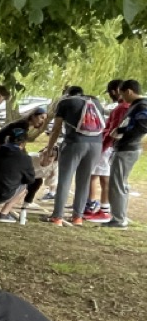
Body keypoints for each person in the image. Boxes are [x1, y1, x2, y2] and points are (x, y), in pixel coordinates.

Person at [42, 85, 106, 226]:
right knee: (84, 181)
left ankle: (57, 217)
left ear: (67, 94)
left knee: (65, 180)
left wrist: (49, 149)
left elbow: (56, 128)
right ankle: (78, 217)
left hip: (74, 143)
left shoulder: (65, 102)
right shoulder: (95, 102)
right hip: (96, 145)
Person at [102, 79, 147, 229]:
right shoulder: (136, 105)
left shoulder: (142, 106)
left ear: (129, 91)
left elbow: (141, 127)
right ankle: (120, 216)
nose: (122, 98)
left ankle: (118, 219)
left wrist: (124, 135)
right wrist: (120, 131)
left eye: (123, 94)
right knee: (121, 183)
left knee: (117, 184)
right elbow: (130, 124)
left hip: (128, 148)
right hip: (125, 147)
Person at [0, 127, 42, 221]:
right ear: (23, 143)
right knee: (24, 187)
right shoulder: (25, 158)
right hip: (2, 193)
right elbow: (30, 179)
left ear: (7, 139)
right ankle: (4, 214)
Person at [83, 80, 126, 221]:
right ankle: (98, 207)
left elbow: (112, 130)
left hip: (107, 146)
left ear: (115, 91)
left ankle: (100, 208)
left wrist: (103, 146)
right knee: (99, 176)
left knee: (100, 176)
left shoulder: (121, 108)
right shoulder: (122, 107)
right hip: (110, 146)